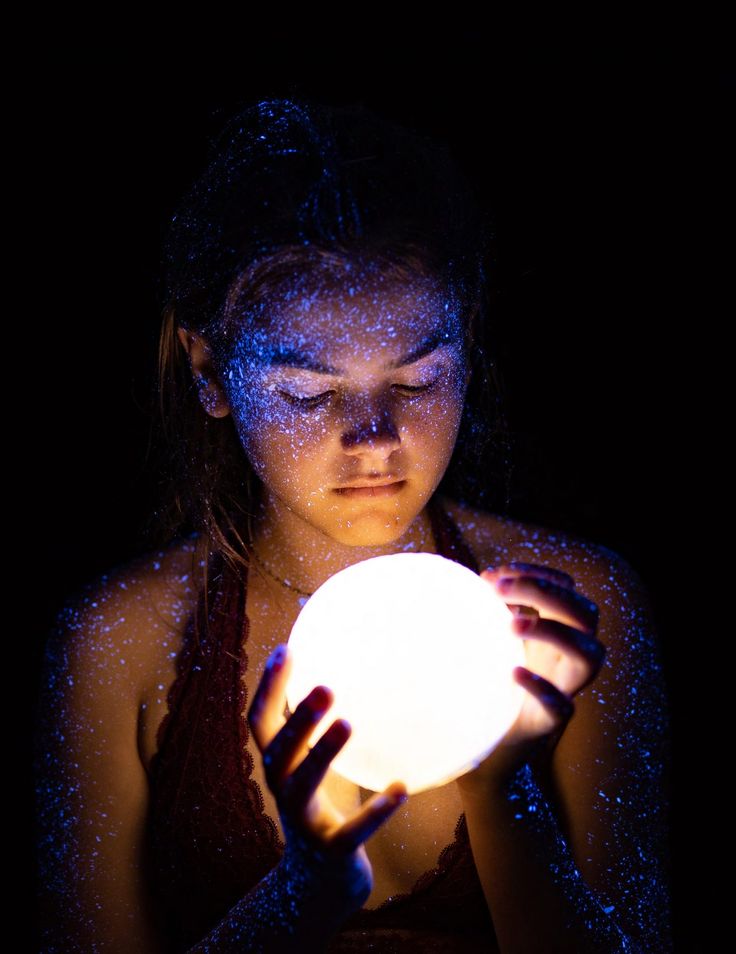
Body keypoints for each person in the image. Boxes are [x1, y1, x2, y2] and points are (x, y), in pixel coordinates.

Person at [33, 97, 673, 952]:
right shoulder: (122, 645)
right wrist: (305, 891)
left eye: (416, 381)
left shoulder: (578, 610)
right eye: (308, 393)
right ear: (210, 371)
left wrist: (500, 794)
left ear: (468, 341)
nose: (374, 440)